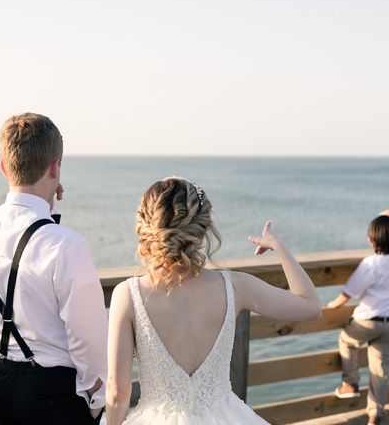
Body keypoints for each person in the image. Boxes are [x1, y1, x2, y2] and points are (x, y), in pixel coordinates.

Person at [106, 177, 322, 425]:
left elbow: (117, 393)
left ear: (145, 227)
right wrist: (279, 247)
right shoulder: (235, 286)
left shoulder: (128, 294)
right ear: (203, 229)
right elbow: (311, 306)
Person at [0, 113, 107, 424]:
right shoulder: (66, 244)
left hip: (2, 382)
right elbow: (88, 336)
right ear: (55, 167)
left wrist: (46, 207)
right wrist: (95, 400)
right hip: (56, 392)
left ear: (4, 166)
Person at [327, 210, 389, 425]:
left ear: (370, 240)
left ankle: (350, 383)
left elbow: (349, 293)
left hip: (368, 322)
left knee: (346, 340)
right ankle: (375, 415)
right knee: (380, 369)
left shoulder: (371, 264)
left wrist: (332, 306)